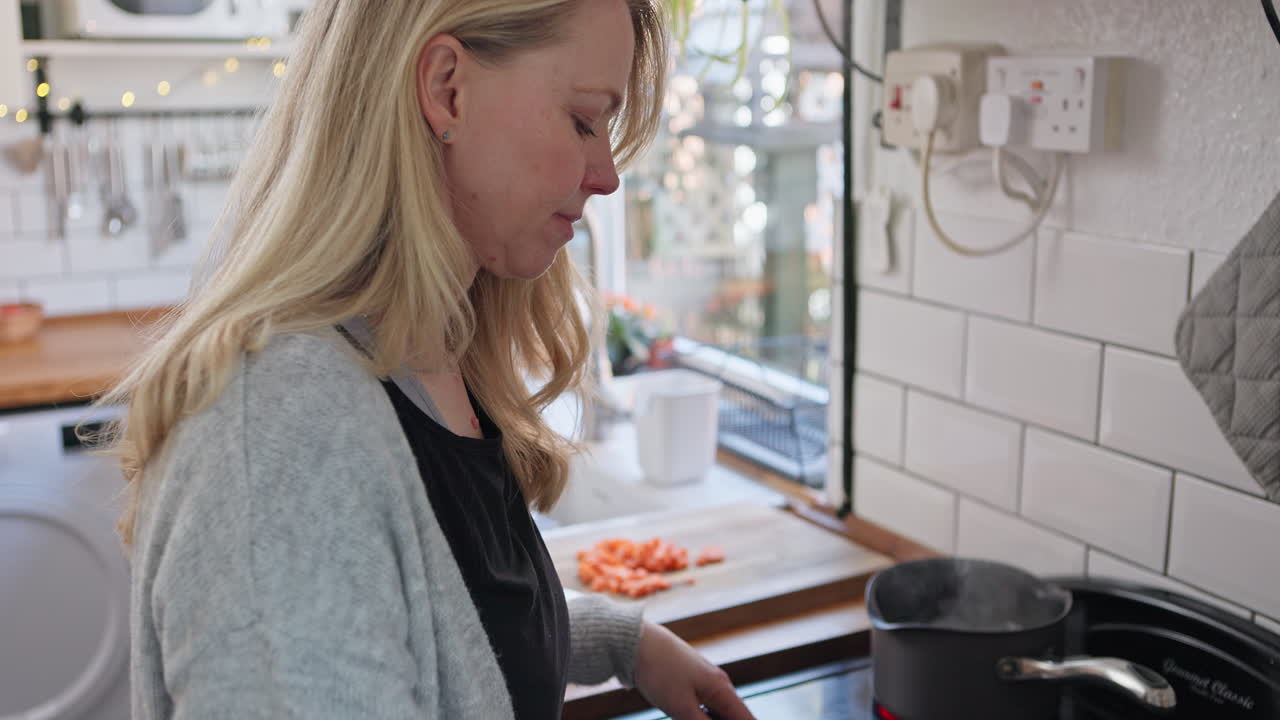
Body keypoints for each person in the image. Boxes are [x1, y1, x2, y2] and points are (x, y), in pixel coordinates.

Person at [99, 0, 756, 718]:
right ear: (447, 89)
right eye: (582, 120)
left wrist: (618, 639)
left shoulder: (432, 359)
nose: (606, 175)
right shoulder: (280, 435)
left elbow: (436, 620)